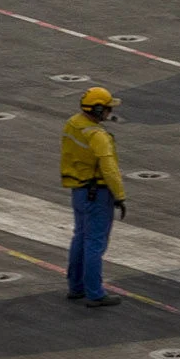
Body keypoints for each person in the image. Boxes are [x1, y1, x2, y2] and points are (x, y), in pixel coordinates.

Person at [59, 86, 125, 307]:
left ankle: (75, 287)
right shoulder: (98, 136)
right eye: (106, 108)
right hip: (98, 193)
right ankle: (95, 293)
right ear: (97, 109)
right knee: (95, 243)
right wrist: (120, 195)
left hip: (78, 189)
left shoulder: (73, 124)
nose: (108, 112)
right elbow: (109, 169)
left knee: (80, 237)